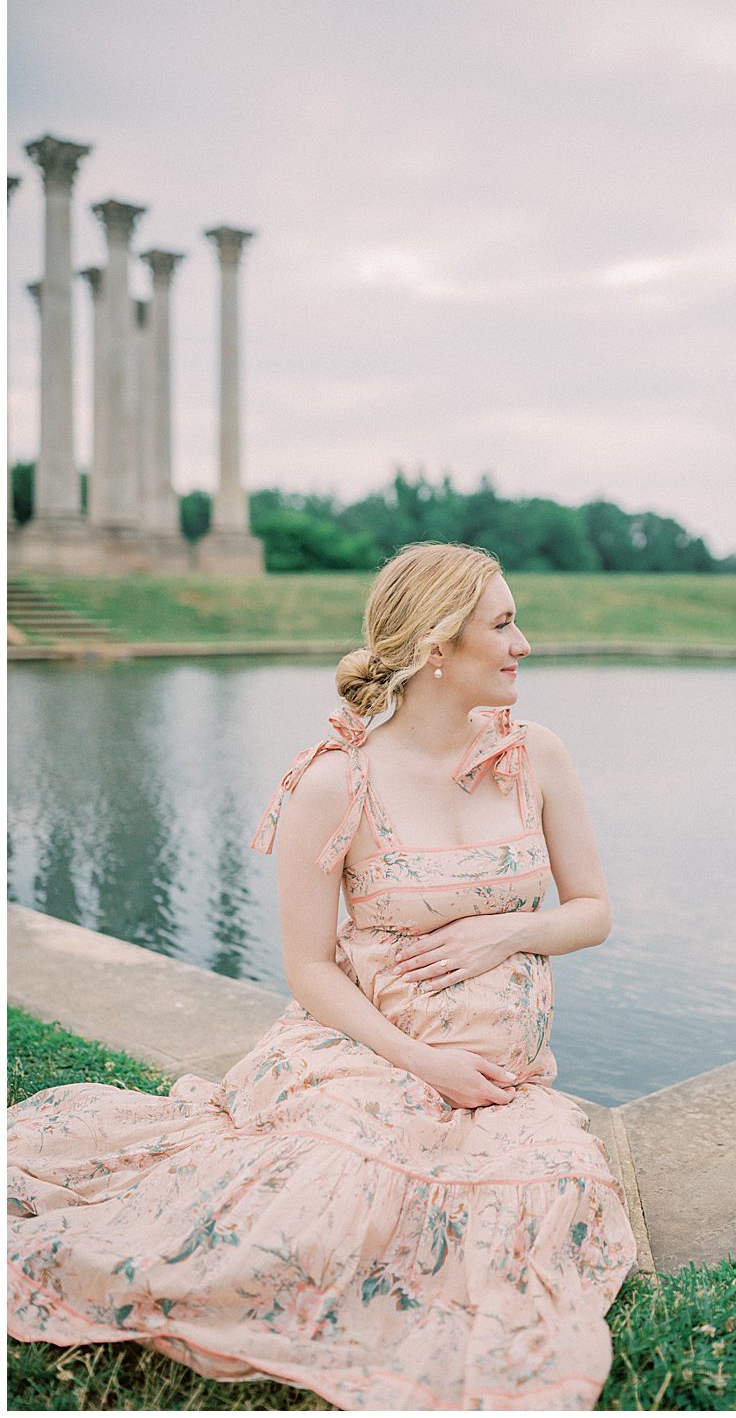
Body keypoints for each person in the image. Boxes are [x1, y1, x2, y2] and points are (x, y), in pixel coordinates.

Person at [8, 541, 638, 1409]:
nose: (523, 641)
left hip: (501, 1080)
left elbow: (593, 910)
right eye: (503, 623)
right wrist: (423, 1062)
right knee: (315, 1211)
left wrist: (504, 932)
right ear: (436, 650)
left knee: (555, 1190)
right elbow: (308, 968)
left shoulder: (538, 755)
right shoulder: (335, 782)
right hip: (367, 1056)